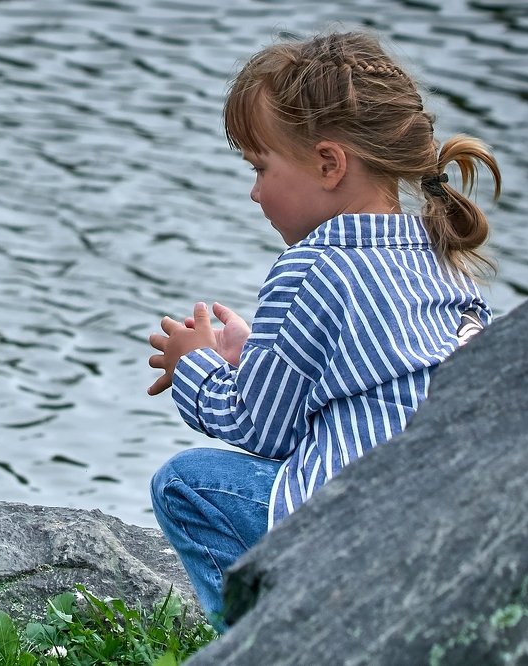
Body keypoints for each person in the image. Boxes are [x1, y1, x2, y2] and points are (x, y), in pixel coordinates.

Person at [146, 31, 502, 632]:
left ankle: (260, 643)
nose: (254, 192)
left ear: (330, 164)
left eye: (261, 167)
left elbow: (260, 427)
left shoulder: (313, 266)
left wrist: (195, 366)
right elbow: (367, 381)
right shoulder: (441, 258)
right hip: (455, 516)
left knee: (185, 484)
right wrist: (254, 356)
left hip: (363, 527)